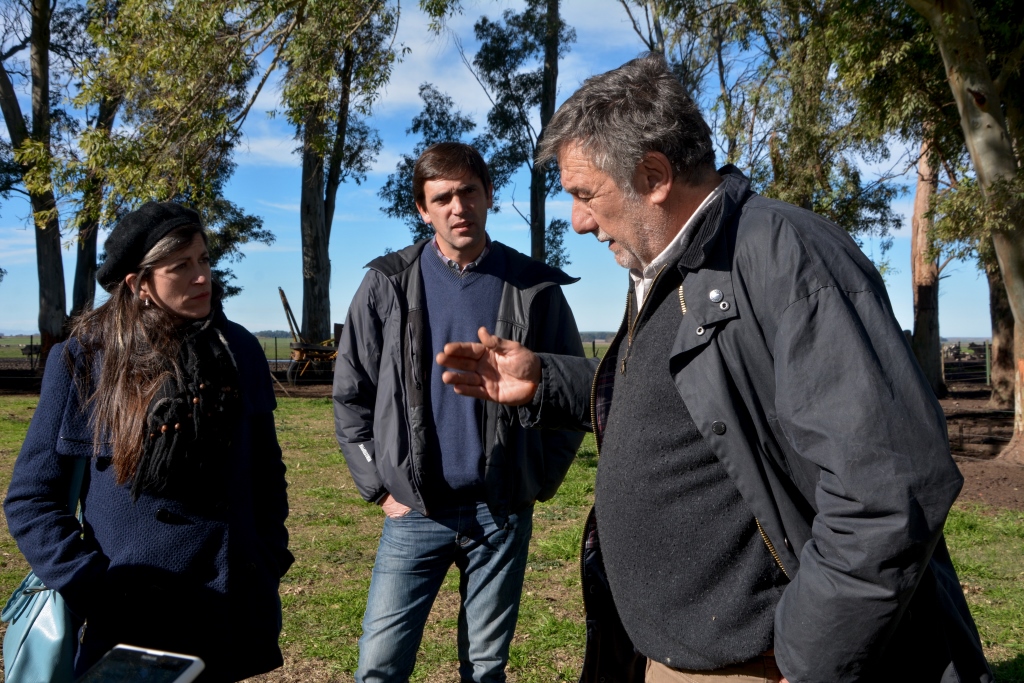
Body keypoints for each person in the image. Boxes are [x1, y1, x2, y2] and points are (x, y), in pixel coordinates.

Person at [436, 55, 992, 683]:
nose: (579, 221)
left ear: (654, 176)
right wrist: (545, 381)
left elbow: (889, 491)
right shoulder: (670, 266)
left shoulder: (785, 257)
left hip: (762, 666)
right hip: (678, 655)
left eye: (586, 195)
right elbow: (684, 404)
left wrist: (807, 657)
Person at [5, 202, 293, 682]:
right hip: (132, 614)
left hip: (227, 600)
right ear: (139, 284)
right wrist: (98, 589)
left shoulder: (237, 348)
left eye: (203, 260)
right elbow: (31, 499)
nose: (202, 277)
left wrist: (267, 555)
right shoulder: (86, 357)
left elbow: (266, 469)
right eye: (181, 266)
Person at [333, 142, 585, 683]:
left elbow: (571, 395)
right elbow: (352, 394)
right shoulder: (387, 284)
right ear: (422, 209)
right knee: (379, 665)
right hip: (415, 510)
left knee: (487, 667)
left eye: (468, 191)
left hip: (501, 511)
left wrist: (537, 481)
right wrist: (379, 486)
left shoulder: (534, 287)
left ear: (489, 195)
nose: (457, 206)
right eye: (441, 197)